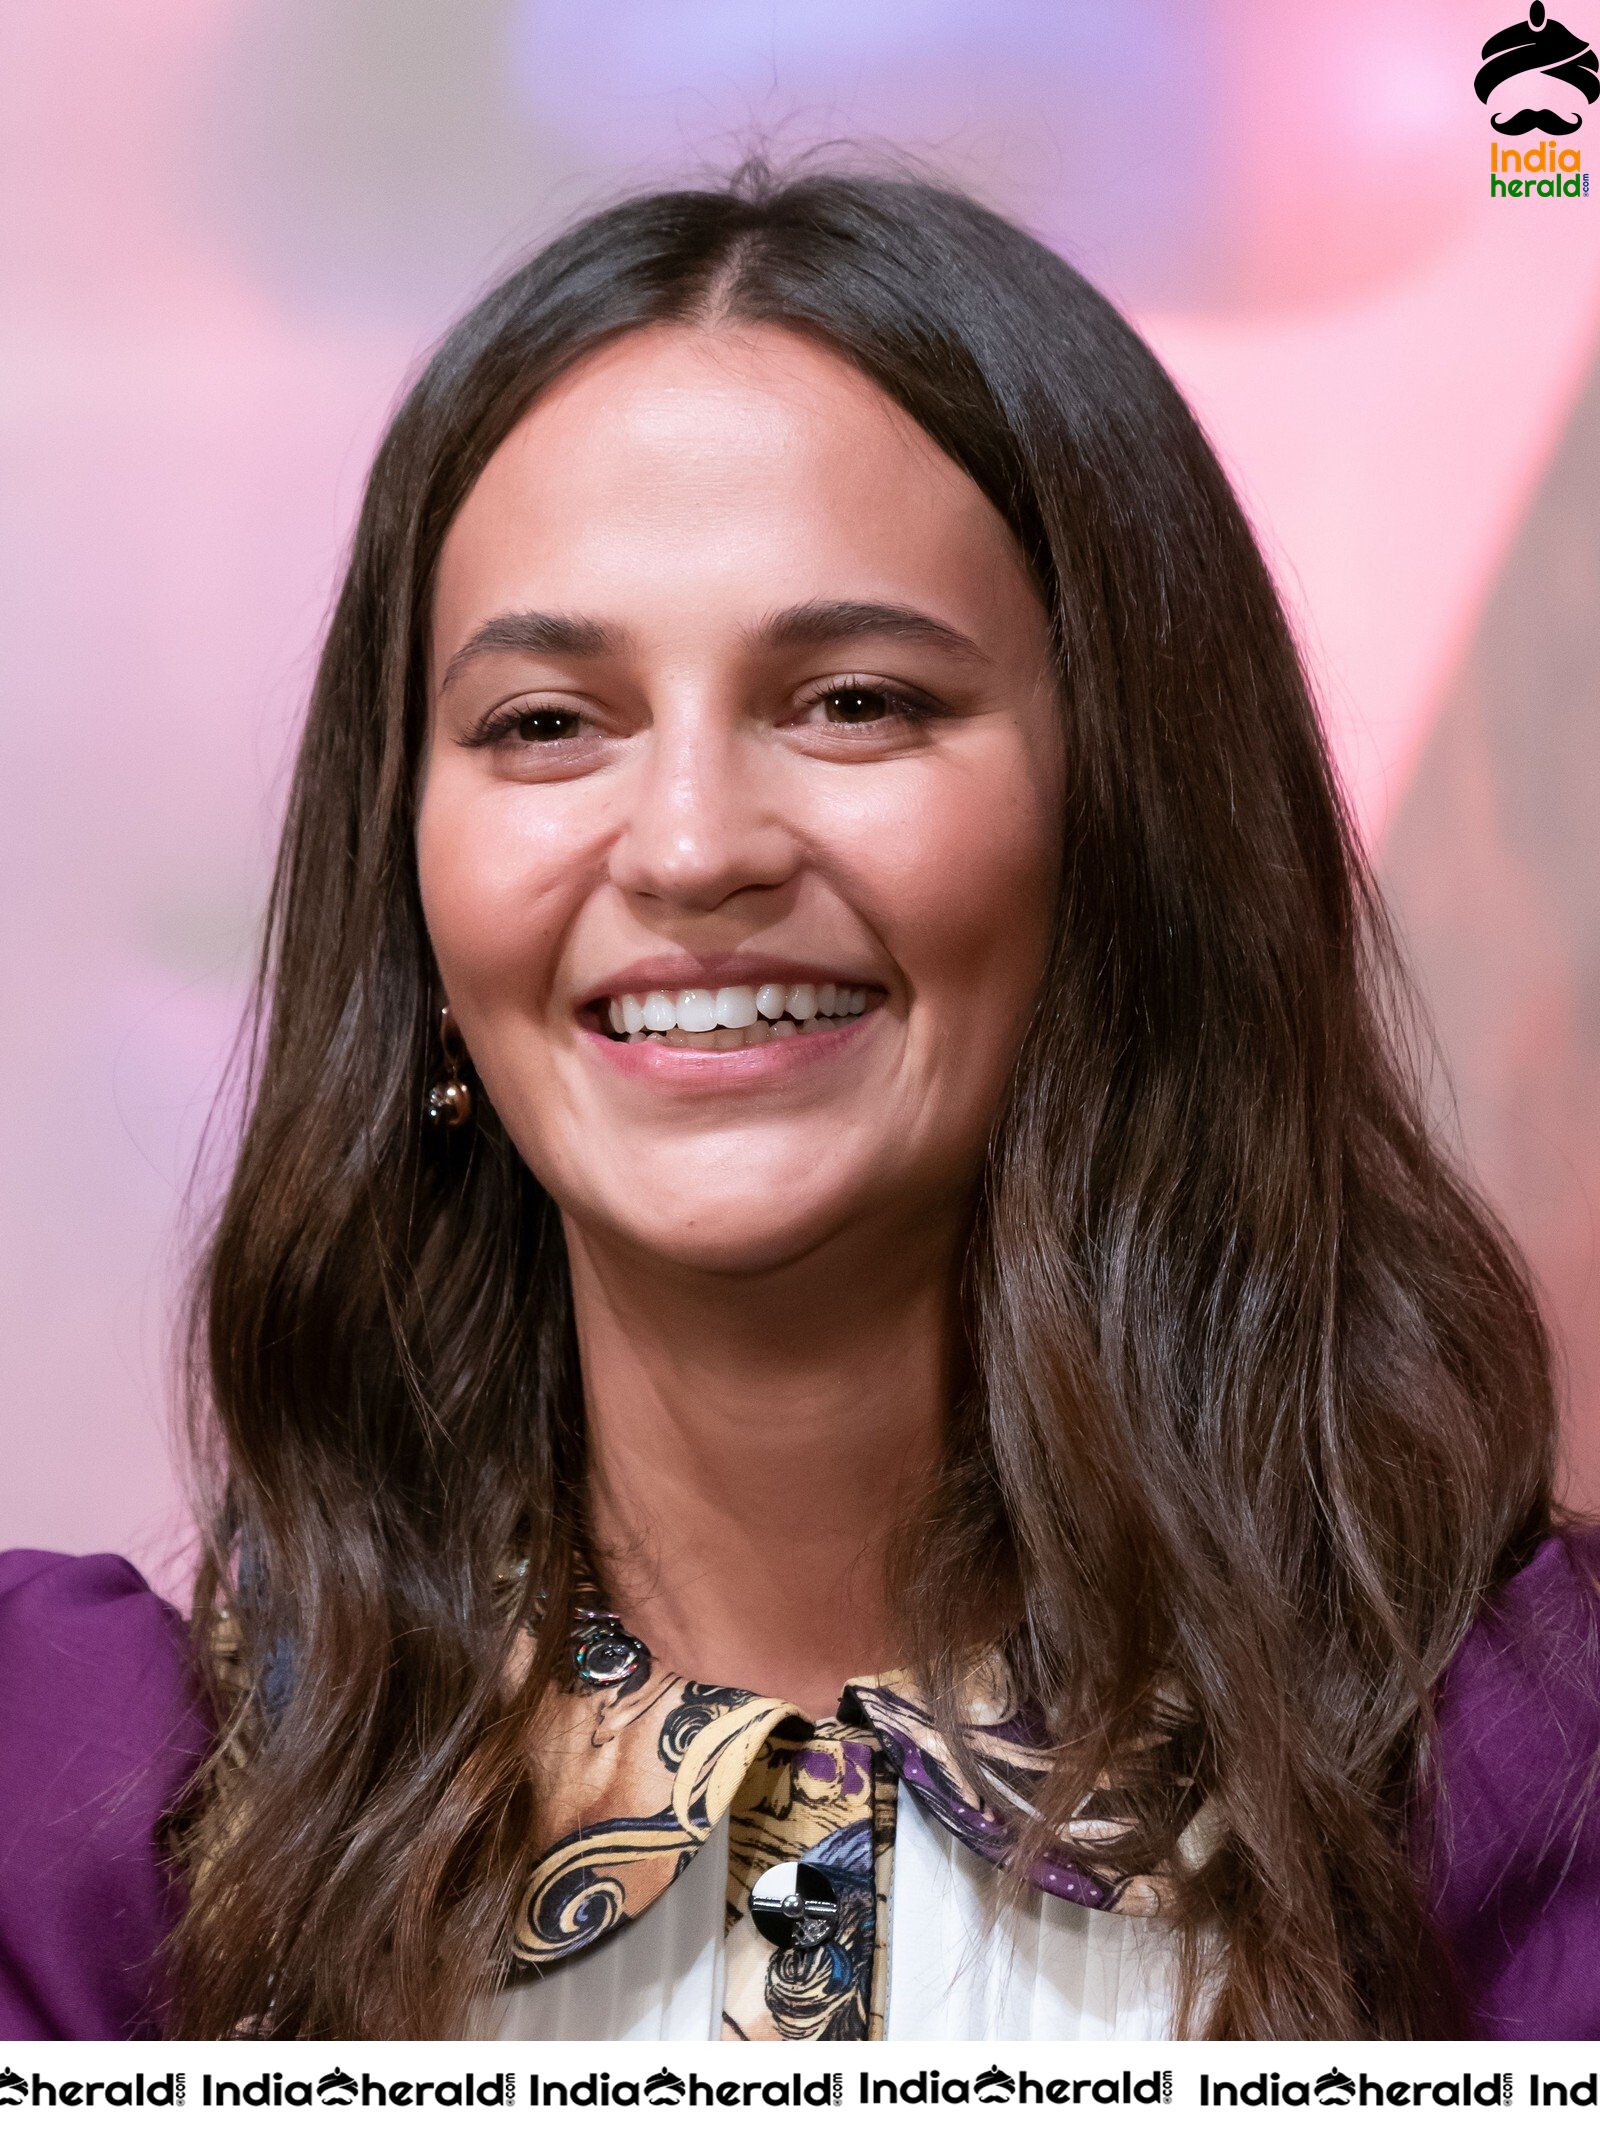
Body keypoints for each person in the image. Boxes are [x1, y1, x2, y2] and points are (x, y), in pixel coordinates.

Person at [3, 162, 1598, 2046]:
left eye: (854, 699)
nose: (687, 847)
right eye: (544, 722)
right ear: (411, 895)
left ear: (1131, 826)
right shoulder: (76, 1812)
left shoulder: (1539, 1781)